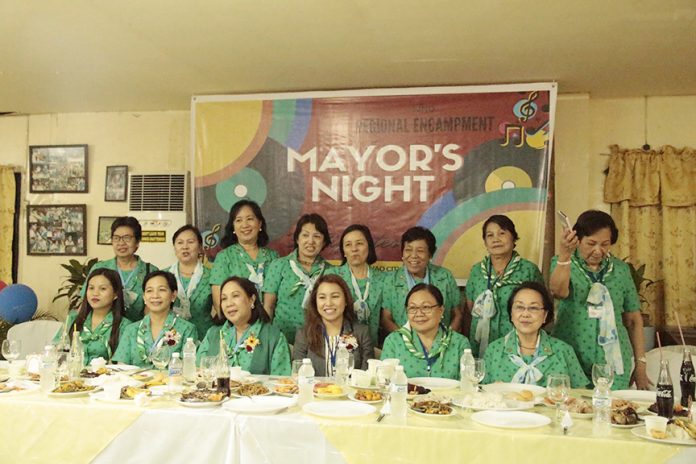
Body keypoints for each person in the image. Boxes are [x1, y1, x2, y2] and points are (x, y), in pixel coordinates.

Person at [549, 210, 648, 390]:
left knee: (612, 411)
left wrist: (641, 365)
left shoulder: (621, 270)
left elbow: (634, 319)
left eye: (605, 244)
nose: (598, 250)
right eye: (591, 243)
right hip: (572, 356)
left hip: (613, 360)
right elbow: (558, 292)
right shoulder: (562, 262)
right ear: (577, 239)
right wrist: (565, 256)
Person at [483, 282, 589, 388]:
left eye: (533, 308)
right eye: (519, 307)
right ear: (511, 314)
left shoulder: (563, 350)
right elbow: (482, 394)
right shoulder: (494, 349)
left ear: (545, 315)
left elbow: (579, 395)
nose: (525, 314)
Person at [466, 215, 543, 357]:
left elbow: (540, 306)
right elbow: (471, 306)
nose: (496, 239)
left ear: (513, 238)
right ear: (485, 242)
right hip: (482, 341)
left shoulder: (528, 270)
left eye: (502, 233)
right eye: (490, 235)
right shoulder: (477, 270)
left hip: (518, 341)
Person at [197, 276, 290, 375]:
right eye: (224, 298)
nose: (229, 303)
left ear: (252, 299)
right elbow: (198, 373)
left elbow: (282, 384)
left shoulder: (273, 337)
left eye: (235, 296)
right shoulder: (212, 335)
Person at [263, 213, 332, 344]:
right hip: (282, 339)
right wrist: (268, 339)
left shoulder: (330, 271)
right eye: (305, 235)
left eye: (317, 236)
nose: (310, 241)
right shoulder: (279, 265)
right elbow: (268, 306)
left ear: (324, 242)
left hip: (318, 340)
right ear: (297, 239)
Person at [381, 226, 462, 334]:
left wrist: (445, 340)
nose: (413, 256)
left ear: (430, 254)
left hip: (441, 345)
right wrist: (405, 341)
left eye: (420, 251)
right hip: (403, 345)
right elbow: (386, 318)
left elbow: (457, 314)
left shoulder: (444, 276)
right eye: (408, 250)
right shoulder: (391, 280)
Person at [381, 283, 471, 379]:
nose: (419, 313)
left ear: (441, 310)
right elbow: (384, 384)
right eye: (412, 308)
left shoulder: (459, 343)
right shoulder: (393, 341)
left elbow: (468, 385)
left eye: (426, 307)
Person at [112, 271, 198, 367]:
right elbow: (121, 367)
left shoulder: (187, 329)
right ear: (144, 297)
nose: (155, 295)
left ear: (173, 295)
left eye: (161, 290)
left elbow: (188, 367)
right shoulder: (131, 330)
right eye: (149, 291)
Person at [293, 275, 374, 376]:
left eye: (335, 296)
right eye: (322, 297)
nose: (328, 303)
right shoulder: (304, 335)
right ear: (315, 302)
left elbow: (366, 377)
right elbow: (299, 377)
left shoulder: (362, 332)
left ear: (345, 301)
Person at [210, 200, 278, 316]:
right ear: (233, 227)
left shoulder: (273, 257)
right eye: (239, 220)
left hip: (269, 326)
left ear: (260, 223)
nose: (245, 225)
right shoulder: (224, 257)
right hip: (236, 328)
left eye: (250, 219)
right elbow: (219, 302)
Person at [82, 216, 157, 321]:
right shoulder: (100, 268)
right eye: (116, 238)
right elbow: (85, 301)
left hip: (138, 332)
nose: (121, 243)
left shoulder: (150, 271)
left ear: (137, 242)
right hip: (106, 332)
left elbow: (155, 309)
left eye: (127, 238)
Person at [53, 269, 131, 363]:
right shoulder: (72, 320)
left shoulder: (125, 326)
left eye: (102, 289)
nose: (95, 293)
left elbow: (122, 363)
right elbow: (55, 351)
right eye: (91, 288)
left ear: (115, 294)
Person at [325, 224, 384, 347]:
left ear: (369, 247)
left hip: (372, 348)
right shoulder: (332, 276)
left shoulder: (383, 279)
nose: (354, 249)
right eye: (348, 245)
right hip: (337, 347)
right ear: (344, 252)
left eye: (359, 243)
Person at [166, 225, 214, 338]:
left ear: (200, 247)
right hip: (171, 337)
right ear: (174, 247)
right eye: (180, 243)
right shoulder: (164, 276)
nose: (185, 247)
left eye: (190, 242)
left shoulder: (212, 275)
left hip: (204, 336)